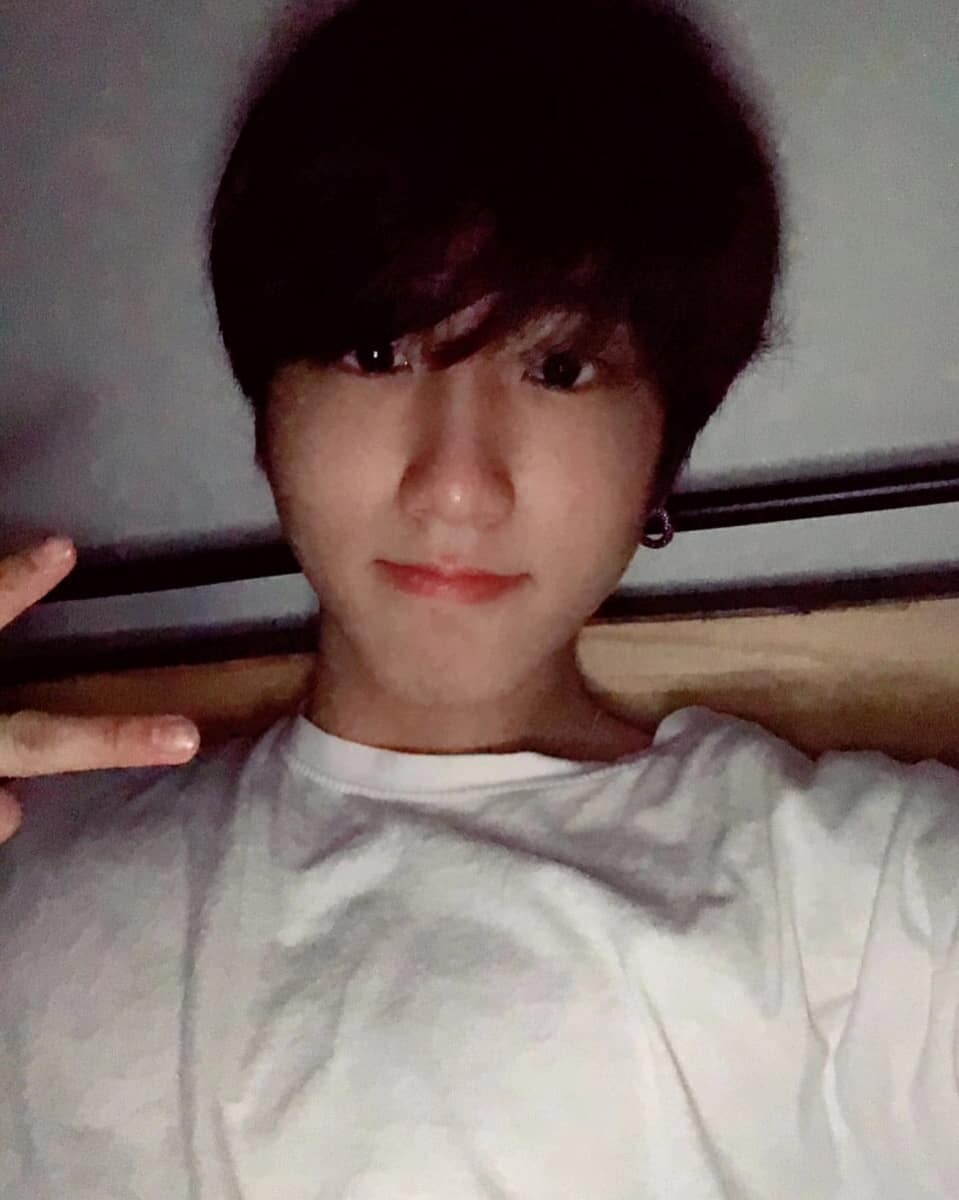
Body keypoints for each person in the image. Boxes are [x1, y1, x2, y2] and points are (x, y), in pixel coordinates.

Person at [1, 0, 956, 1195]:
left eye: (558, 367)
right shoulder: (37, 868)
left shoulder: (858, 913)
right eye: (375, 354)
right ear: (267, 411)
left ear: (660, 451)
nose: (453, 487)